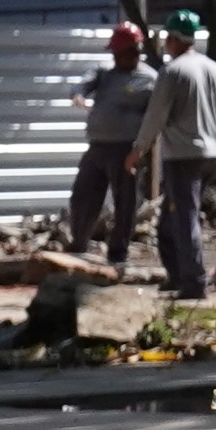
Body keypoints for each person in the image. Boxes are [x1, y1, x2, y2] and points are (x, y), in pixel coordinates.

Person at [134, 8, 216, 293]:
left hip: (184, 156)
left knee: (184, 218)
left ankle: (194, 283)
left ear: (174, 39)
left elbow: (155, 117)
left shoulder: (172, 71)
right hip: (211, 155)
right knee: (169, 220)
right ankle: (178, 276)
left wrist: (137, 149)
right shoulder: (213, 68)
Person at [68, 21, 156, 255]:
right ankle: (79, 244)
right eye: (115, 53)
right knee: (82, 195)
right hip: (97, 147)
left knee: (125, 202)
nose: (117, 58)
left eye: (122, 53)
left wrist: (142, 148)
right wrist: (78, 95)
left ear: (135, 52)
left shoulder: (149, 79)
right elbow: (82, 85)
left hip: (126, 149)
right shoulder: (104, 72)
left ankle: (118, 252)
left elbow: (157, 116)